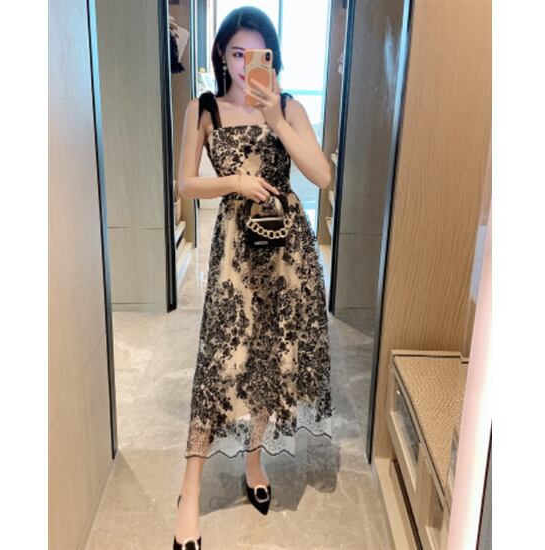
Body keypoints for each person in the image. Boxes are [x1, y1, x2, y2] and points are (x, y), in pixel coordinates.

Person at [173, 6, 335, 549]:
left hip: (286, 253)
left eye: (256, 54)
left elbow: (322, 175)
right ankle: (189, 492)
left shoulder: (288, 107)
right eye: (237, 53)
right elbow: (186, 183)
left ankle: (253, 461)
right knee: (219, 362)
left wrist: (277, 119)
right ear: (222, 54)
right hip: (234, 255)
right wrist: (234, 184)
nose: (245, 65)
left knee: (268, 358)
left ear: (272, 58)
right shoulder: (203, 109)